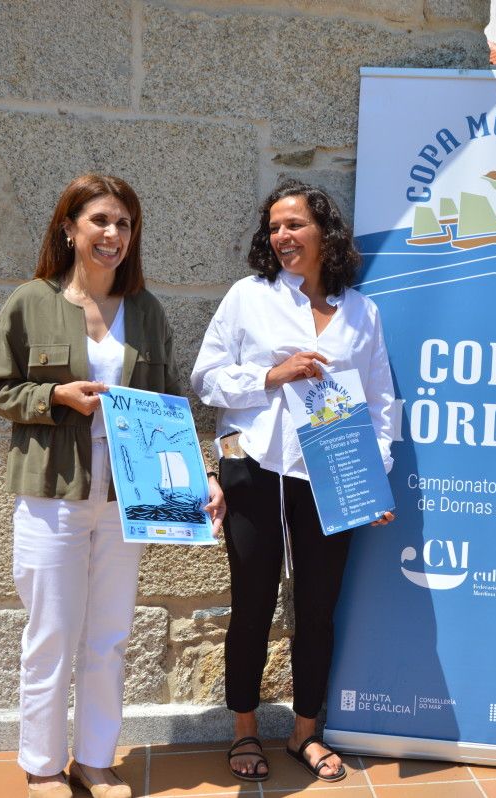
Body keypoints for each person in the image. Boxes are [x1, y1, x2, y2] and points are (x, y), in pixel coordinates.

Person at [0, 174, 225, 798]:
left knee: (110, 634)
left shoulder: (146, 311)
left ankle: (94, 759)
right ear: (69, 227)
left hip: (127, 498)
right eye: (100, 221)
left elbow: (169, 404)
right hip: (52, 494)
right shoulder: (31, 300)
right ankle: (41, 764)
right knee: (52, 632)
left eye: (124, 224)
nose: (113, 235)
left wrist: (199, 475)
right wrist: (54, 395)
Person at [191, 179, 396, 783]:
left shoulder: (362, 311)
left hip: (331, 477)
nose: (282, 236)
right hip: (255, 470)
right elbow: (206, 379)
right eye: (274, 227)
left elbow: (382, 405)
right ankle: (245, 731)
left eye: (294, 225)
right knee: (251, 605)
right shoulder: (247, 297)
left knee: (318, 609)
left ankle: (306, 732)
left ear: (324, 233)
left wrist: (373, 477)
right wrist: (271, 376)